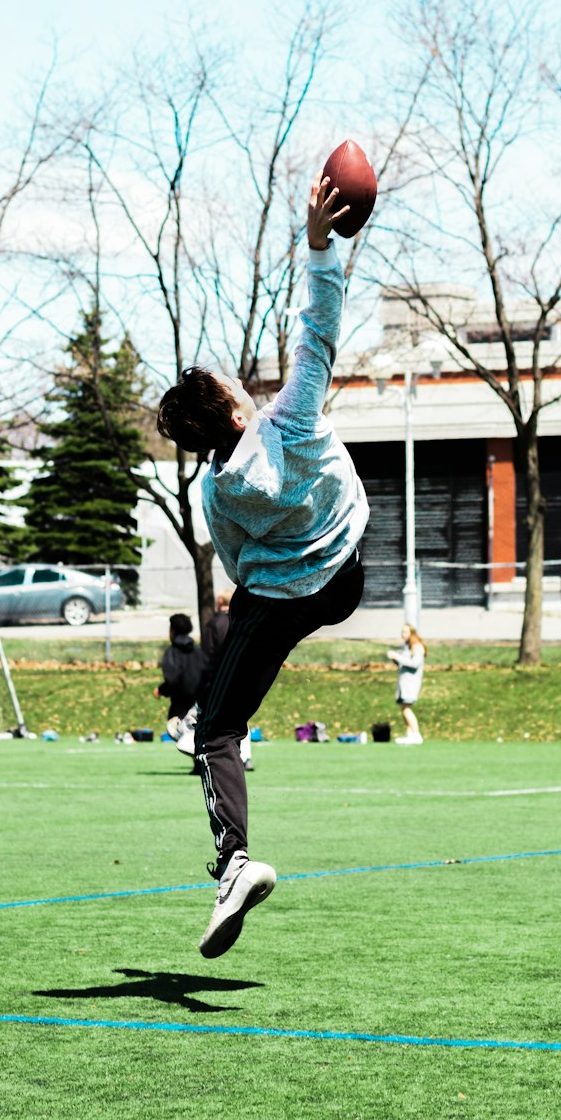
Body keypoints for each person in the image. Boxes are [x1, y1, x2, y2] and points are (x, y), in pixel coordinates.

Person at [155, 171, 368, 958]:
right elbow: (320, 325)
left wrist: (257, 616)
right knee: (262, 632)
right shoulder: (295, 418)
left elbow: (242, 563)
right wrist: (318, 245)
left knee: (216, 729)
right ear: (240, 409)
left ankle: (234, 862)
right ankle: (233, 868)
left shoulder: (215, 493)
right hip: (346, 575)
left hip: (277, 594)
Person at [198, 592, 253, 771]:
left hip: (219, 678)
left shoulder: (215, 624)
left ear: (220, 601)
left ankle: (216, 760)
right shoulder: (242, 620)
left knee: (217, 722)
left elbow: (207, 654)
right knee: (241, 718)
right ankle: (245, 756)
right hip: (244, 675)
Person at [155, 613, 206, 725]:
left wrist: (162, 690)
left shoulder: (172, 652)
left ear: (172, 630)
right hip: (199, 706)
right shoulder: (198, 652)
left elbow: (172, 679)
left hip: (179, 706)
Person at [386, 624, 426, 743]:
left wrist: (397, 657)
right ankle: (410, 734)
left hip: (411, 683)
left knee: (406, 709)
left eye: (405, 632)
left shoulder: (417, 646)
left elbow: (414, 663)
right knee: (403, 708)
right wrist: (394, 659)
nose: (402, 634)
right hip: (403, 682)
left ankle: (416, 734)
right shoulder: (406, 647)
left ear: (411, 633)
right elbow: (403, 664)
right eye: (402, 632)